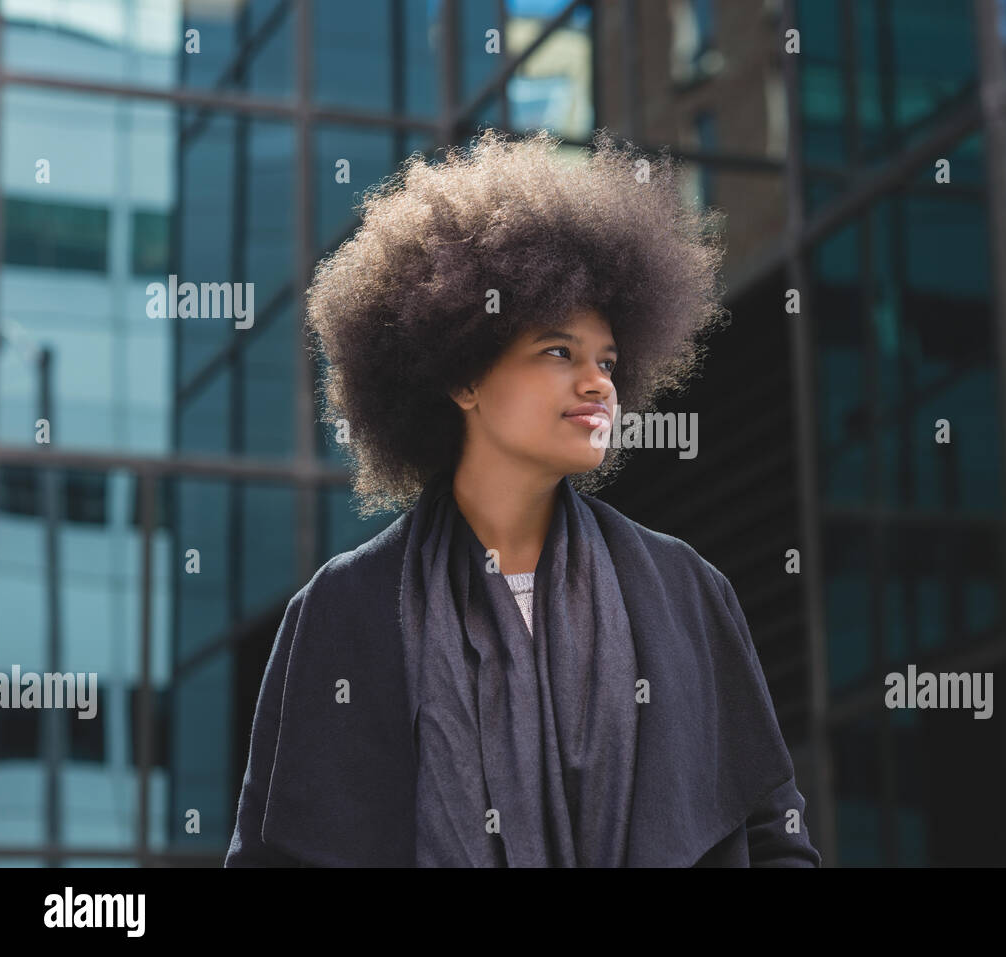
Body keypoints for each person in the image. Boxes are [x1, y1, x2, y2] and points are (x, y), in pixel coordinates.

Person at [224, 128, 820, 867]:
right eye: (558, 352)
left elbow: (774, 829)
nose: (598, 381)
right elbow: (269, 854)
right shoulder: (342, 609)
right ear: (463, 377)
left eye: (607, 359)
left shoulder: (686, 591)